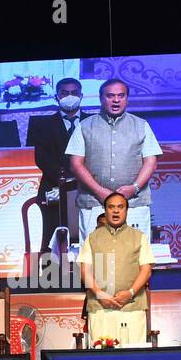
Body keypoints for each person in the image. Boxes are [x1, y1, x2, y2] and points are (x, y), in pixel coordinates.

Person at [66, 79, 161, 242]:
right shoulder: (84, 126)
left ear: (127, 98)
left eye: (121, 96)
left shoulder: (141, 125)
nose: (116, 100)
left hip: (133, 202)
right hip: (94, 203)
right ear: (101, 98)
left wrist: (134, 188)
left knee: (134, 258)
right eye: (110, 96)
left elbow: (151, 162)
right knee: (95, 259)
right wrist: (100, 192)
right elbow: (76, 164)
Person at [78, 192, 154, 345]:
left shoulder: (139, 237)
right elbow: (85, 271)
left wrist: (130, 293)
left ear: (126, 210)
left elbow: (146, 270)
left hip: (132, 307)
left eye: (120, 207)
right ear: (105, 210)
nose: (116, 211)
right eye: (111, 207)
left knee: (132, 358)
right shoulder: (92, 238)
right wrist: (100, 294)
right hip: (100, 308)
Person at [26, 76, 87, 247]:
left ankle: (87, 274)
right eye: (65, 93)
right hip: (53, 188)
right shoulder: (43, 125)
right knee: (51, 240)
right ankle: (51, 274)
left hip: (88, 189)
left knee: (88, 237)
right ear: (57, 97)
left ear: (81, 96)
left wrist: (82, 179)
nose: (70, 96)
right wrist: (64, 179)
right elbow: (42, 158)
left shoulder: (93, 122)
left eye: (74, 93)